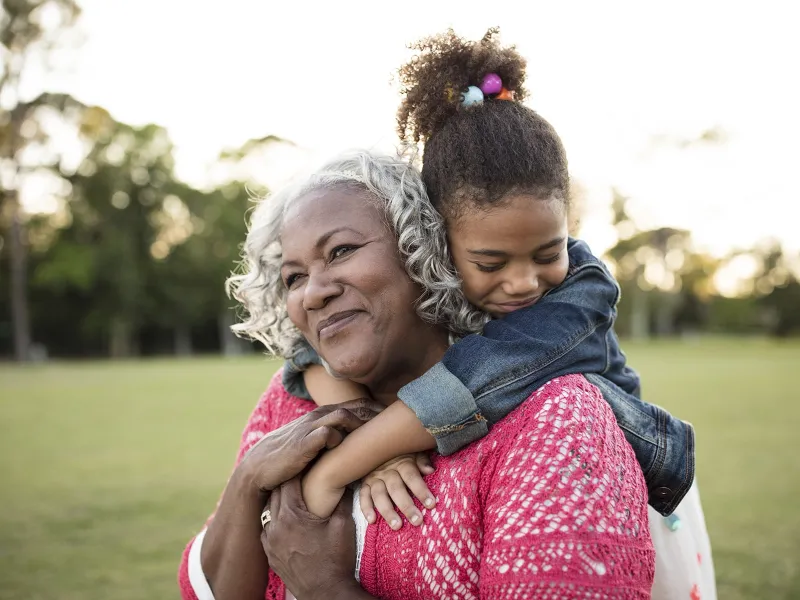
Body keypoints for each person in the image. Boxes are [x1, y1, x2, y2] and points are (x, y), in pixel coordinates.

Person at [289, 29, 715, 600]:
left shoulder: (580, 294)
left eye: (548, 252)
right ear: (438, 241)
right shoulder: (432, 284)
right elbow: (308, 354)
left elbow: (474, 383)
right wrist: (362, 432)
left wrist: (337, 466)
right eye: (490, 262)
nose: (523, 282)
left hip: (609, 502)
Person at [177, 150, 655, 599]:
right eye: (294, 277)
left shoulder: (552, 420)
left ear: (425, 250)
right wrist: (247, 481)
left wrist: (325, 587)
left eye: (341, 250)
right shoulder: (292, 408)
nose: (313, 293)